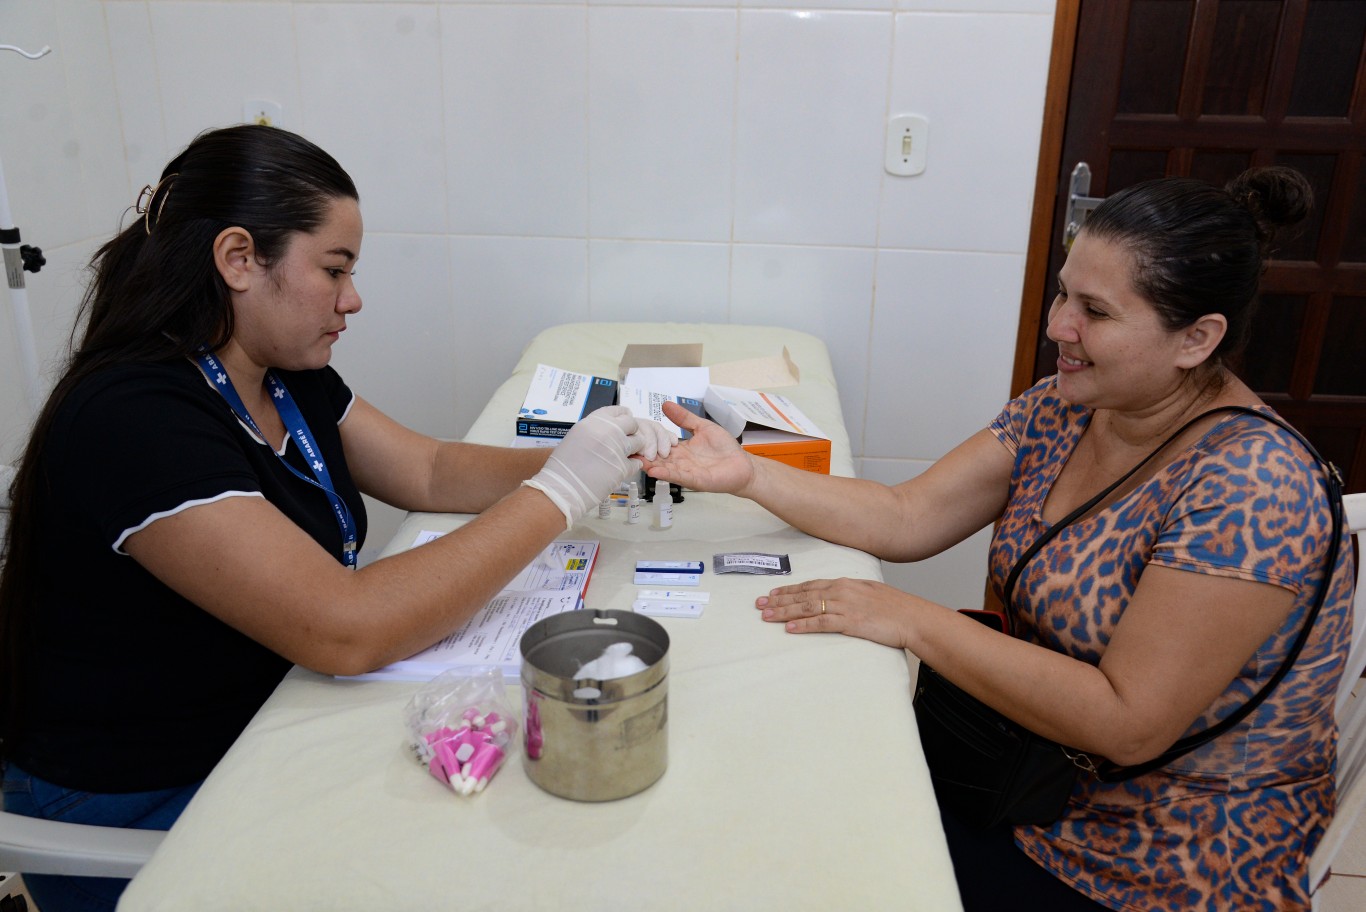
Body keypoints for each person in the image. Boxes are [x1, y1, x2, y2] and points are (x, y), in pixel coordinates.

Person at [643, 166, 1356, 911]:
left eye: (1095, 312)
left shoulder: (1252, 486)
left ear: (1197, 338)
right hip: (1024, 777)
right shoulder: (1069, 405)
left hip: (1158, 859)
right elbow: (906, 515)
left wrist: (913, 619)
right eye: (1062, 294)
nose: (1057, 327)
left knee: (801, 861)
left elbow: (1128, 724)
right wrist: (746, 473)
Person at [0, 124, 670, 912]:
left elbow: (428, 469)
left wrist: (606, 458)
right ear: (239, 259)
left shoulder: (282, 373)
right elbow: (345, 628)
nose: (352, 299)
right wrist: (560, 492)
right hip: (145, 795)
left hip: (268, 720)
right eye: (334, 270)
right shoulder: (137, 419)